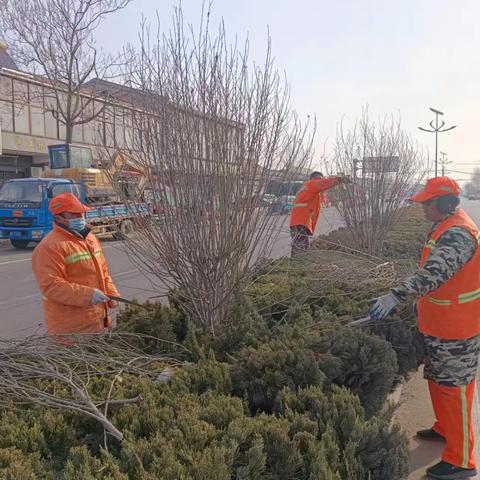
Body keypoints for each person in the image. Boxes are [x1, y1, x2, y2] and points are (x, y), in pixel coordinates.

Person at [370, 177, 480, 480]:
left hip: (455, 328)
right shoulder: (445, 224)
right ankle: (445, 428)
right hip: (440, 324)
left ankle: (461, 460)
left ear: (444, 203)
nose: (422, 208)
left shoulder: (458, 233)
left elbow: (434, 274)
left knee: (454, 390)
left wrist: (396, 295)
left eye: (427, 203)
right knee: (439, 381)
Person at [32, 192, 120, 337]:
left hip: (98, 320)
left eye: (81, 213)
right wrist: (88, 295)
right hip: (70, 330)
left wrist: (112, 293)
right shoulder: (49, 247)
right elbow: (51, 286)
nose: (81, 218)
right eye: (75, 215)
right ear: (59, 217)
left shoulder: (90, 238)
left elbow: (103, 272)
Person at [289, 171, 347, 256]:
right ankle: (299, 263)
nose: (321, 181)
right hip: (301, 221)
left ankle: (297, 263)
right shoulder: (311, 184)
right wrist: (339, 179)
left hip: (299, 221)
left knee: (300, 245)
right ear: (313, 179)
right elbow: (324, 183)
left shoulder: (310, 189)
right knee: (301, 247)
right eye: (319, 179)